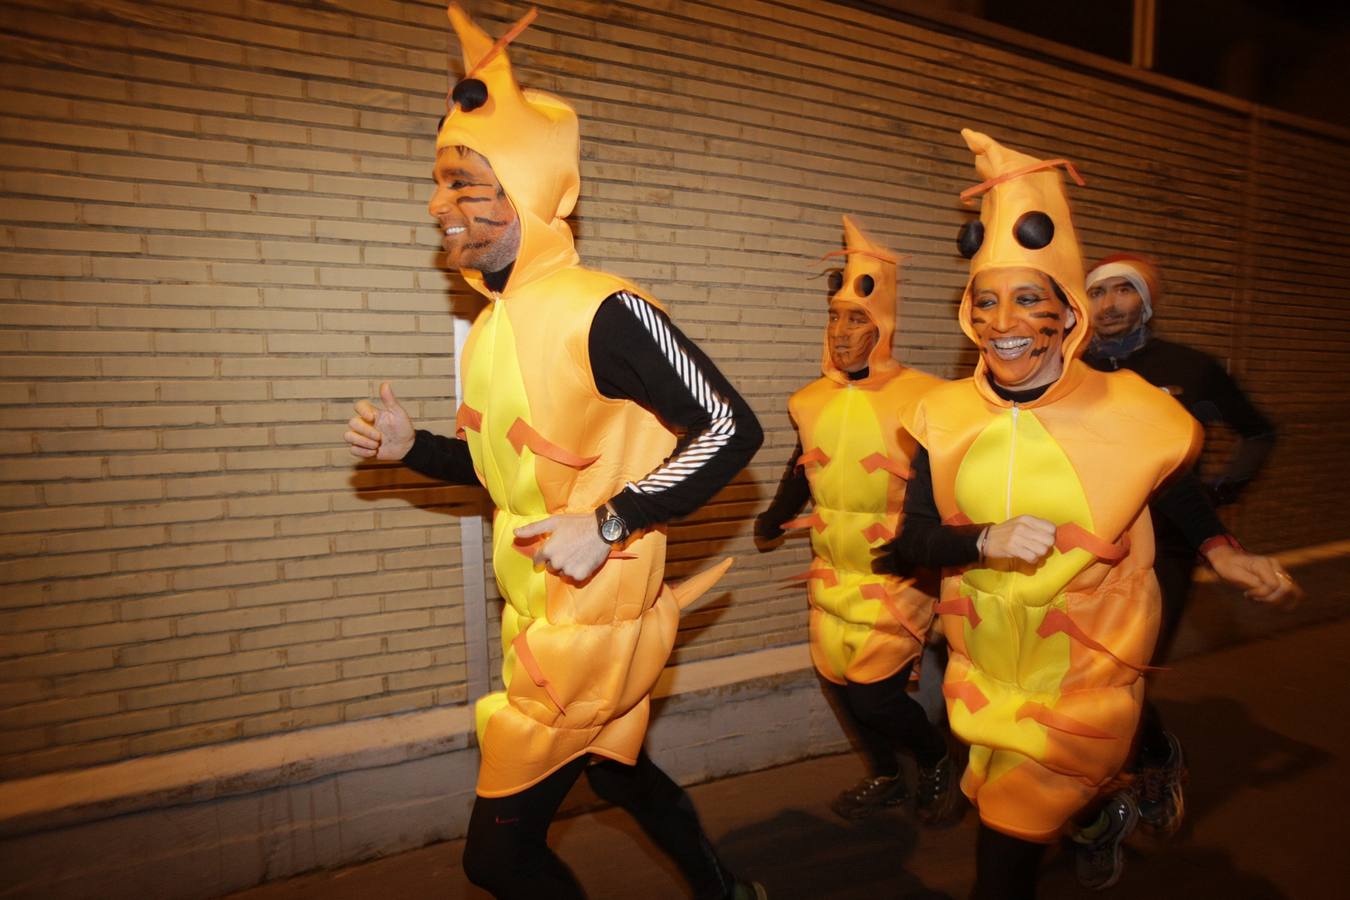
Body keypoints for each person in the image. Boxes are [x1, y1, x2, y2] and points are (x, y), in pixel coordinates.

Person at [343, 7, 763, 898]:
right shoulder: (493, 325)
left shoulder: (605, 308)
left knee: (495, 857)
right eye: (438, 183)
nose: (439, 206)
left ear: (539, 195)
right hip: (544, 622)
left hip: (596, 625)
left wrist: (612, 520)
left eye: (466, 184)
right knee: (618, 771)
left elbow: (734, 429)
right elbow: (499, 472)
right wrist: (409, 446)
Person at [881, 129, 1297, 899]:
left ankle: (1110, 790)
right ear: (969, 316)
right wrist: (984, 538)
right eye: (988, 300)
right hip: (984, 675)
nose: (1005, 319)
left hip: (1083, 669)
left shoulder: (1128, 407)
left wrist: (1220, 549)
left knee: (1003, 854)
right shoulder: (939, 414)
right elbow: (912, 540)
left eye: (1029, 299)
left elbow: (1166, 480)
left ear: (1068, 316)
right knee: (1013, 812)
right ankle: (1101, 816)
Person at [754, 216, 953, 824]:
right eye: (834, 318)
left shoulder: (927, 397)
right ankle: (889, 774)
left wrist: (927, 553)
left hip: (897, 569)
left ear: (884, 324)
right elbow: (803, 463)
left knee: (875, 693)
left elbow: (947, 484)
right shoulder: (810, 399)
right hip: (831, 568)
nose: (841, 332)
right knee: (839, 683)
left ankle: (936, 758)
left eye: (857, 319)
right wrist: (777, 514)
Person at [1083, 254, 1278, 835]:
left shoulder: (1189, 368)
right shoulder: (1071, 370)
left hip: (1167, 545)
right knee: (1088, 675)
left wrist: (1223, 489)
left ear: (1146, 302)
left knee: (1129, 673)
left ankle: (1155, 762)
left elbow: (1259, 431)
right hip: (1090, 547)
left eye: (1125, 290)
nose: (1110, 303)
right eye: (1098, 292)